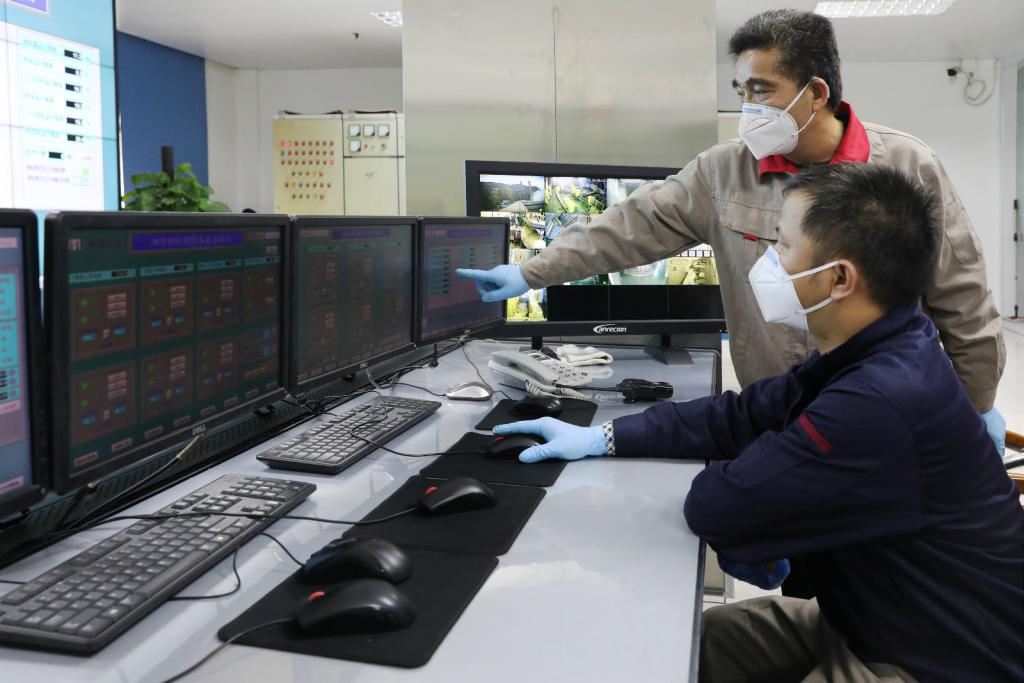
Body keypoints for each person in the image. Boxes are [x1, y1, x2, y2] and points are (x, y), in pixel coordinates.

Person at [492, 164, 1024, 683]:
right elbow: (744, 414)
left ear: (840, 278)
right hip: (873, 614)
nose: (769, 261)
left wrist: (760, 509)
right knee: (684, 646)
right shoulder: (880, 345)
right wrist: (603, 437)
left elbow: (720, 505)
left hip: (935, 657)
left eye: (783, 246)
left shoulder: (879, 399)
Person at [456, 9, 1007, 456]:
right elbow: (629, 226)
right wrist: (530, 271)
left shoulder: (908, 166)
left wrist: (972, 407)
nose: (747, 108)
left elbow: (963, 299)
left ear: (816, 92)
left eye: (762, 90)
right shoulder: (723, 171)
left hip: (886, 416)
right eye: (741, 90)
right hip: (775, 411)